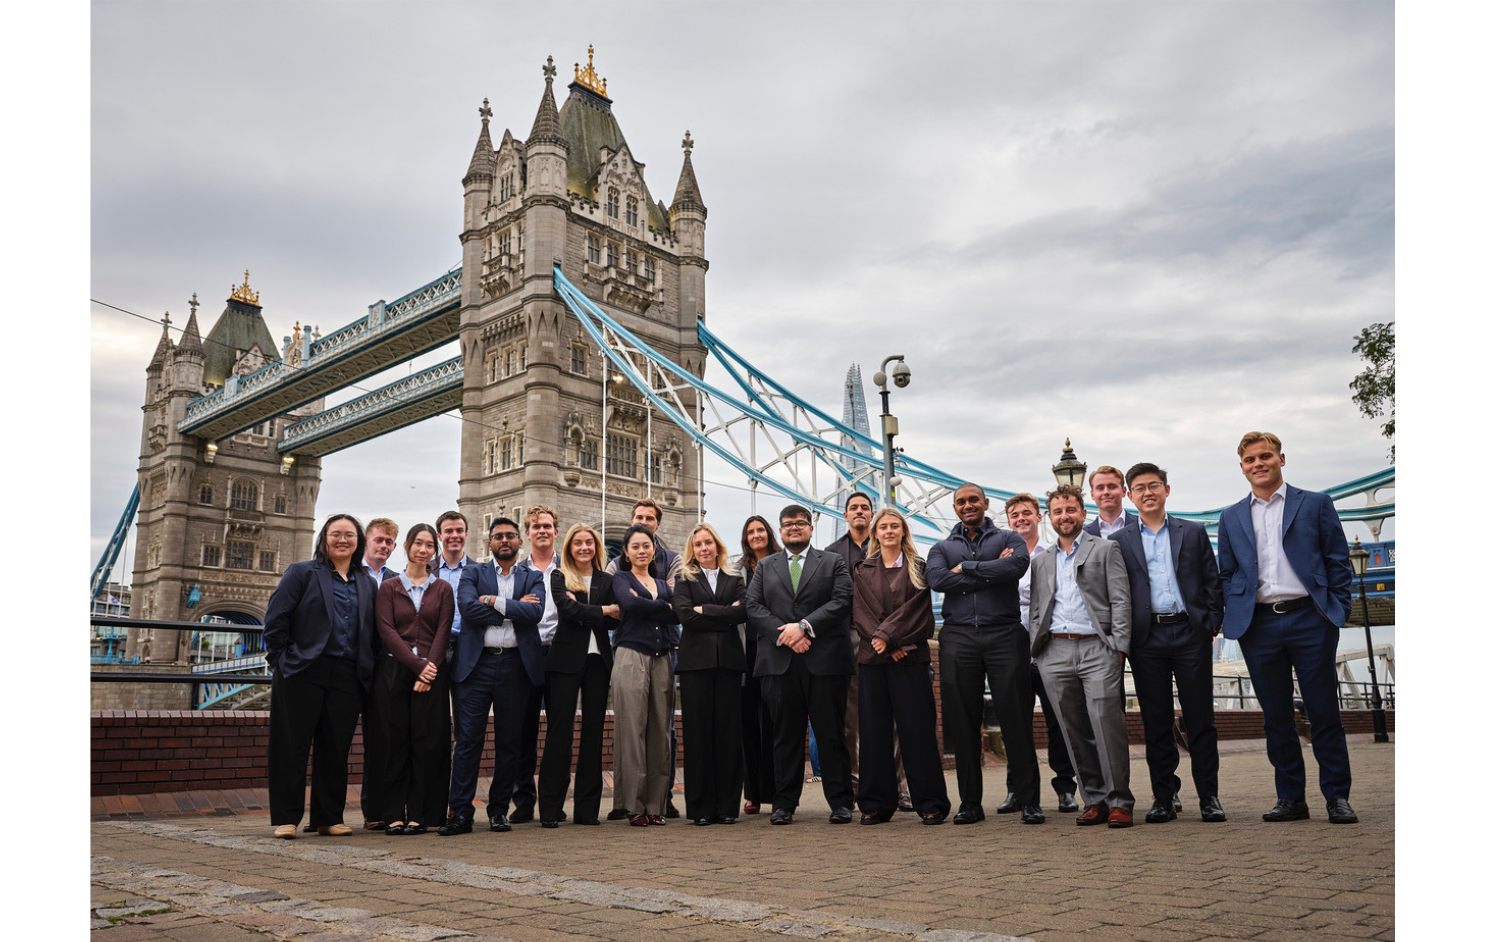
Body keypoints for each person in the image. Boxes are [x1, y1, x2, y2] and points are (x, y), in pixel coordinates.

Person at [1217, 432, 1357, 824]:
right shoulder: (1230, 516)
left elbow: (1337, 561)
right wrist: (1235, 610)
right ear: (1242, 466)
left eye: (1266, 456)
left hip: (1309, 618)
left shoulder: (1315, 504)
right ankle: (1291, 798)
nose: (1258, 464)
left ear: (1282, 459)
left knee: (1323, 711)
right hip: (1258, 624)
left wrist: (1335, 610)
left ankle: (1337, 798)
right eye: (1250, 459)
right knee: (1275, 717)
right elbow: (1227, 572)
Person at [1109, 463, 1226, 824]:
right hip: (1147, 638)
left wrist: (1209, 624)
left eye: (1154, 485)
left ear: (1166, 490)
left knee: (1199, 718)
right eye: (1140, 487)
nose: (1148, 492)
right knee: (1155, 721)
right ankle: (1164, 797)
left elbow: (1212, 581)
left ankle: (1209, 797)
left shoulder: (1192, 532)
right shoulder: (1119, 541)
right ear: (1130, 495)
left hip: (1190, 633)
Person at [925, 483, 1041, 825]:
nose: (967, 505)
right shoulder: (941, 547)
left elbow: (1017, 566)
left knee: (1016, 719)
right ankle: (970, 804)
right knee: (962, 723)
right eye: (961, 501)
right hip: (958, 636)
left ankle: (1029, 801)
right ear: (954, 507)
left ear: (986, 503)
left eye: (973, 499)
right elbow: (936, 580)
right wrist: (991, 569)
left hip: (1005, 632)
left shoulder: (1009, 538)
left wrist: (966, 569)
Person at [264, 514, 378, 839]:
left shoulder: (366, 582)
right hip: (302, 671)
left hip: (347, 675)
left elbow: (371, 631)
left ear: (359, 541)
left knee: (335, 748)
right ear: (324, 538)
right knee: (291, 746)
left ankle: (329, 817)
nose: (343, 540)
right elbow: (276, 619)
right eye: (335, 534)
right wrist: (282, 661)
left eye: (350, 535)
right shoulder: (301, 572)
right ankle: (287, 819)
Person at [1029, 485, 1136, 828]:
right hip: (1055, 650)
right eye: (1058, 511)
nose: (1064, 516)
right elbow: (1036, 608)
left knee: (1107, 723)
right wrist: (1038, 649)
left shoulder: (1106, 549)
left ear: (1082, 513)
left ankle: (1120, 801)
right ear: (1049, 517)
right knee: (1073, 731)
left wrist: (1119, 646)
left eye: (1070, 509)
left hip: (1097, 648)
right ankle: (1094, 800)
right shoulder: (1041, 560)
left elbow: (1120, 599)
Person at [744, 505, 855, 825]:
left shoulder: (832, 562)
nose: (794, 528)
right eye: (788, 524)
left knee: (831, 733)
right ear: (780, 531)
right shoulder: (765, 566)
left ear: (810, 528)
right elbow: (753, 606)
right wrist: (787, 635)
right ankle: (784, 804)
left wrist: (804, 627)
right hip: (779, 663)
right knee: (784, 735)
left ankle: (841, 802)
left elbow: (842, 600)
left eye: (801, 523)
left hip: (824, 661)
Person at [441, 518, 546, 835]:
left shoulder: (534, 576)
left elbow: (534, 614)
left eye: (510, 536)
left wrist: (493, 601)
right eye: (498, 536)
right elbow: (469, 610)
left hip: (515, 667)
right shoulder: (473, 573)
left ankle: (499, 810)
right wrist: (513, 607)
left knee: (509, 744)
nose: (504, 540)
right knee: (468, 741)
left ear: (519, 541)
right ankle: (460, 812)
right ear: (489, 543)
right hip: (476, 667)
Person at [853, 508, 951, 825]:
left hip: (909, 659)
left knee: (918, 731)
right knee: (873, 733)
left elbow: (919, 614)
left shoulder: (919, 568)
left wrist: (890, 640)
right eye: (884, 526)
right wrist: (884, 641)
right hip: (874, 662)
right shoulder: (862, 570)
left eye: (896, 526)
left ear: (903, 532)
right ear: (875, 533)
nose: (890, 531)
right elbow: (862, 613)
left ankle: (930, 802)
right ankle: (876, 804)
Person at [826, 492, 912, 813]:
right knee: (851, 721)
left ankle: (900, 786)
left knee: (893, 719)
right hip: (848, 639)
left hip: (890, 639)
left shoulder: (891, 550)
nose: (859, 512)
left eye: (865, 507)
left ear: (872, 515)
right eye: (854, 508)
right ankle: (857, 788)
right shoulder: (831, 554)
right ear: (845, 515)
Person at [372, 523, 453, 835]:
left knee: (426, 743)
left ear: (434, 550)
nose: (423, 550)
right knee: (395, 743)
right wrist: (417, 665)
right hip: (395, 672)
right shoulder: (390, 587)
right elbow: (386, 630)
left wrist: (428, 669)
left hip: (432, 675)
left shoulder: (443, 589)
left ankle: (420, 814)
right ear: (406, 546)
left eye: (429, 545)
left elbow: (443, 631)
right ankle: (393, 813)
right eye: (418, 543)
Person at [1002, 493, 1078, 815]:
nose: (1021, 518)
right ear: (1008, 522)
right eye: (1015, 515)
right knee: (1014, 723)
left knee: (1057, 720)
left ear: (1039, 517)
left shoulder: (1055, 554)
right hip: (1011, 648)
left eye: (1027, 513)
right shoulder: (1000, 555)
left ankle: (1065, 788)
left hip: (1048, 647)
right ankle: (1015, 790)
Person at [605, 499, 681, 820]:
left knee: (660, 732)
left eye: (646, 546)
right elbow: (628, 605)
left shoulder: (664, 580)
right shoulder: (621, 577)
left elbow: (678, 611)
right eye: (635, 546)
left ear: (654, 548)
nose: (641, 551)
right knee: (631, 729)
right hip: (630, 654)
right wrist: (662, 607)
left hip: (663, 655)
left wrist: (655, 605)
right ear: (626, 551)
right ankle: (632, 806)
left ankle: (656, 806)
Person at [539, 523, 618, 827]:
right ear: (570, 548)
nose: (584, 547)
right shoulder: (559, 576)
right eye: (577, 543)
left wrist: (596, 611)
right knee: (560, 733)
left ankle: (586, 811)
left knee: (594, 734)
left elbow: (615, 621)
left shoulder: (606, 579)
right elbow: (567, 611)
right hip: (565, 660)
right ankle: (550, 810)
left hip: (599, 662)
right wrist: (603, 610)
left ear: (596, 547)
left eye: (589, 543)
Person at [673, 523, 749, 825]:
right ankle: (701, 809)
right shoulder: (684, 578)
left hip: (729, 664)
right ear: (693, 549)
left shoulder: (734, 577)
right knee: (697, 735)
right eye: (699, 544)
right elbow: (685, 616)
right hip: (695, 666)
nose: (704, 548)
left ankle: (728, 807)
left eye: (708, 542)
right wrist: (722, 613)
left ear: (717, 545)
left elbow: (743, 611)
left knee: (729, 735)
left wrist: (706, 610)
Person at [511, 505, 560, 824]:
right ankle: (524, 802)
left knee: (559, 732)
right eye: (535, 526)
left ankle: (553, 804)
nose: (541, 530)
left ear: (556, 531)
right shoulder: (514, 572)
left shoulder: (567, 569)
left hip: (560, 655)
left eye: (547, 526)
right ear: (526, 534)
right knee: (522, 731)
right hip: (525, 653)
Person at [737, 515, 781, 815]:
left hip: (774, 649)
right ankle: (752, 793)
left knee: (775, 722)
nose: (756, 535)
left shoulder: (782, 564)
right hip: (744, 652)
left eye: (760, 530)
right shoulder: (736, 569)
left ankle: (778, 791)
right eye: (751, 532)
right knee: (747, 725)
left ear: (768, 534)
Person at [357, 517, 399, 832]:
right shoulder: (348, 575)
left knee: (382, 740)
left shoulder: (397, 581)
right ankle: (325, 814)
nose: (383, 546)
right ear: (367, 540)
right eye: (378, 540)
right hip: (351, 664)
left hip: (385, 667)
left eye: (388, 542)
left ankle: (376, 810)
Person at [434, 511, 473, 748]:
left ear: (466, 534)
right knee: (433, 721)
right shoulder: (426, 571)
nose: (454, 535)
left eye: (459, 530)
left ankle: (460, 782)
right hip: (434, 651)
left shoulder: (482, 571)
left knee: (465, 723)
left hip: (467, 650)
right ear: (439, 535)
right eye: (448, 531)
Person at [1085, 465, 1140, 539]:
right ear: (1092, 494)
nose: (1106, 492)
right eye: (1100, 488)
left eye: (1112, 487)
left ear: (1123, 491)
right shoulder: (1083, 536)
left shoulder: (1142, 526)